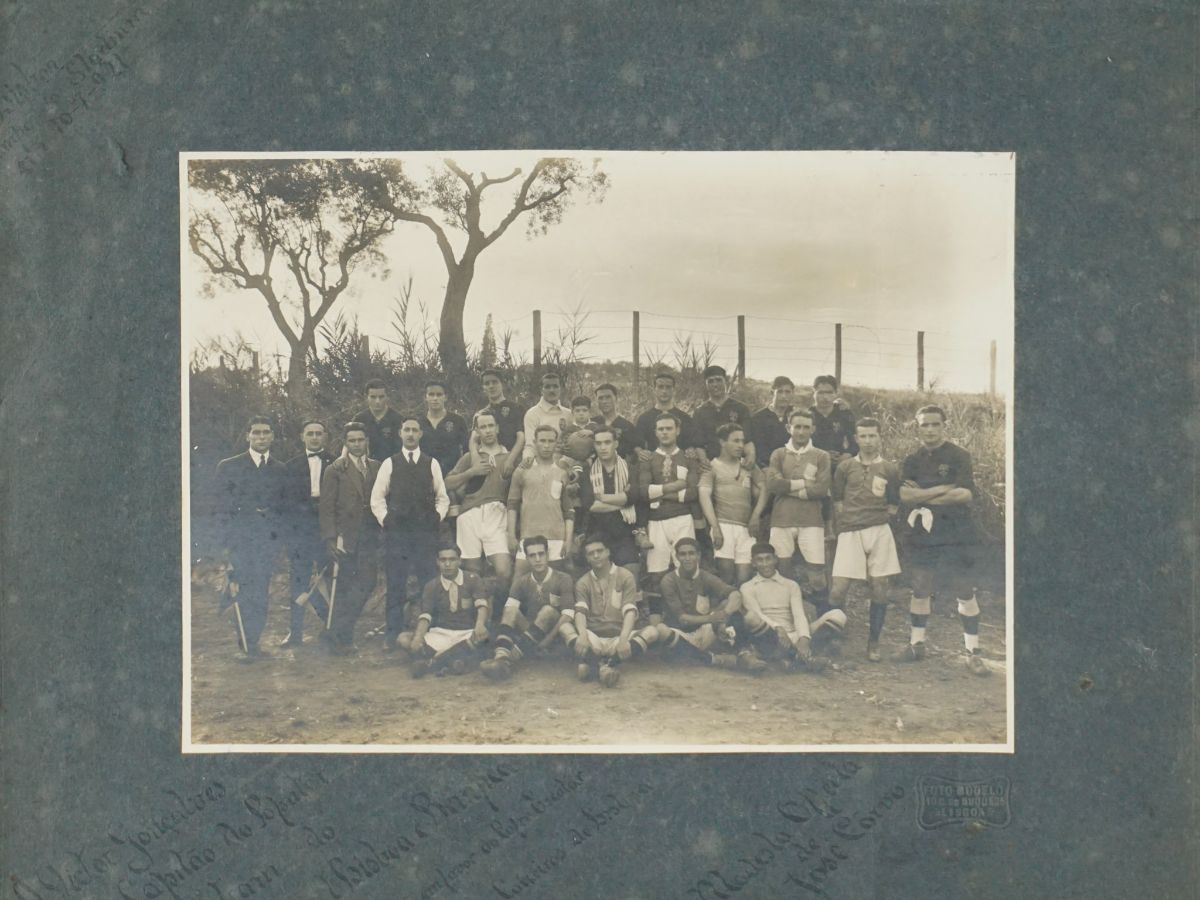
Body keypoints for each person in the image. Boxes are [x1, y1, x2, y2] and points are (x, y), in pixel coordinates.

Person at [897, 405, 989, 676]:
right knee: (921, 585)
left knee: (963, 587)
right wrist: (943, 489)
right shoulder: (912, 460)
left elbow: (964, 495)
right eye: (924, 425)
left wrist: (923, 494)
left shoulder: (959, 456)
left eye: (935, 424)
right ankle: (916, 644)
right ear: (918, 427)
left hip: (955, 529)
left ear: (943, 426)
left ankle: (973, 651)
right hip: (924, 530)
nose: (930, 429)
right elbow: (904, 496)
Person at [369, 415, 450, 650]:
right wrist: (387, 520)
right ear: (400, 433)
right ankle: (392, 635)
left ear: (421, 434)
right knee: (396, 584)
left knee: (428, 582)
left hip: (425, 535)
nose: (411, 434)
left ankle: (432, 633)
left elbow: (442, 497)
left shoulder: (431, 463)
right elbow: (377, 498)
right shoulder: (390, 463)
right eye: (407, 430)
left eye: (415, 430)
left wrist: (436, 517)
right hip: (398, 536)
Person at [212, 416, 288, 658]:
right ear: (248, 436)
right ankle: (245, 645)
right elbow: (220, 508)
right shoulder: (229, 466)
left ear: (273, 436)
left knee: (261, 593)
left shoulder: (280, 469)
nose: (261, 437)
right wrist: (224, 547)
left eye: (266, 432)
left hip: (266, 544)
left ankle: (254, 641)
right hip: (240, 543)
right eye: (256, 433)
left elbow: (284, 508)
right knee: (243, 591)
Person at [829, 418, 902, 662]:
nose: (868, 441)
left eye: (873, 436)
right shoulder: (845, 467)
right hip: (850, 532)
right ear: (856, 439)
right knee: (839, 589)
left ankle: (873, 643)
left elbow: (893, 504)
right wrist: (848, 523)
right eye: (863, 436)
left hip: (879, 531)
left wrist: (875, 520)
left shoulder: (890, 469)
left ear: (880, 437)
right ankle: (833, 637)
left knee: (880, 588)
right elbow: (837, 501)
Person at [562, 536, 665, 688]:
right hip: (594, 637)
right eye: (591, 553)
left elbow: (629, 611)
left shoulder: (625, 576)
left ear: (608, 552)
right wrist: (583, 636)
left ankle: (600, 664)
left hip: (618, 637)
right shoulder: (583, 582)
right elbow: (580, 612)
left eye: (600, 551)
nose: (596, 556)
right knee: (564, 627)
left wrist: (623, 639)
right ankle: (603, 667)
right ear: (587, 558)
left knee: (652, 632)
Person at [317, 422, 381, 654]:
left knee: (367, 582)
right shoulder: (336, 469)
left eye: (360, 440)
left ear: (367, 442)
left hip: (371, 536)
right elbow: (327, 507)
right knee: (344, 587)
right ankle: (343, 639)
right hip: (347, 536)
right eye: (352, 440)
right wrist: (330, 538)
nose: (356, 444)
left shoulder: (377, 467)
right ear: (345, 443)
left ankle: (335, 630)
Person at [659, 538, 765, 672]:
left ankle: (744, 654)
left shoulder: (705, 576)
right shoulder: (668, 580)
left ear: (699, 555)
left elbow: (735, 594)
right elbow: (683, 619)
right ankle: (715, 659)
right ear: (677, 557)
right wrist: (713, 618)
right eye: (683, 554)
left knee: (730, 604)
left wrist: (725, 616)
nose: (687, 558)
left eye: (691, 553)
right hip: (679, 635)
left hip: (703, 632)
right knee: (662, 630)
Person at [480, 535, 576, 681]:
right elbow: (509, 612)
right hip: (530, 634)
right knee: (511, 609)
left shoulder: (563, 578)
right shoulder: (521, 581)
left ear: (547, 554)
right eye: (532, 555)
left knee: (548, 611)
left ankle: (510, 660)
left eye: (541, 554)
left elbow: (568, 615)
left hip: (555, 635)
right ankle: (501, 658)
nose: (537, 559)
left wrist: (548, 640)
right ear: (527, 558)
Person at [765, 409, 832, 612]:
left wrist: (789, 488)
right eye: (797, 426)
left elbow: (821, 489)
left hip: (811, 520)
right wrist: (804, 484)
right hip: (781, 519)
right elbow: (773, 485)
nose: (801, 431)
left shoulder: (821, 456)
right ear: (789, 428)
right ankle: (786, 615)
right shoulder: (778, 453)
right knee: (782, 571)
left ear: (813, 429)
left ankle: (823, 618)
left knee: (816, 573)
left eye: (806, 427)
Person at [739, 543, 844, 672]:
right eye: (760, 560)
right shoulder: (747, 587)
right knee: (750, 617)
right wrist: (778, 628)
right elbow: (757, 614)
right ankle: (804, 660)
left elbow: (798, 614)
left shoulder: (790, 585)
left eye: (768, 558)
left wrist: (804, 638)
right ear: (753, 563)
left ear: (775, 560)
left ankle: (797, 655)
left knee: (838, 615)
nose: (765, 564)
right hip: (771, 635)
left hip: (794, 635)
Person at [637, 412, 700, 619]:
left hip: (682, 518)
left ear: (677, 430)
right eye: (661, 429)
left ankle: (686, 614)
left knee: (687, 567)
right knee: (656, 571)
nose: (665, 432)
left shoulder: (688, 457)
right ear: (655, 432)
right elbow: (645, 492)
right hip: (656, 521)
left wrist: (661, 493)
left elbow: (692, 492)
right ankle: (657, 616)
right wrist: (674, 488)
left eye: (669, 428)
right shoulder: (648, 458)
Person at [443, 410, 513, 595]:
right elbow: (447, 483)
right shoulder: (469, 457)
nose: (488, 430)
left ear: (497, 428)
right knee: (471, 572)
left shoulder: (509, 457)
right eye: (483, 427)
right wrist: (472, 472)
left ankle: (497, 614)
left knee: (504, 570)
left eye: (491, 426)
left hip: (497, 514)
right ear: (477, 432)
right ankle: (474, 615)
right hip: (469, 515)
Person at [398, 544, 491, 678]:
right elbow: (425, 616)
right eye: (443, 560)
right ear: (437, 562)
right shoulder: (432, 585)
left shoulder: (472, 579)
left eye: (452, 559)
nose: (447, 564)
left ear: (460, 561)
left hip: (467, 633)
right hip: (442, 634)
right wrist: (418, 638)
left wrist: (480, 625)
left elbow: (482, 606)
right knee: (404, 639)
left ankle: (433, 662)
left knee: (484, 638)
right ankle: (454, 661)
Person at [281, 419, 335, 646]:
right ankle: (295, 633)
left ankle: (332, 629)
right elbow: (285, 503)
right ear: (302, 436)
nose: (314, 437)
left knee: (329, 578)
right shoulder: (290, 466)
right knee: (298, 580)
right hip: (301, 531)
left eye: (318, 433)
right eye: (310, 433)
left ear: (325, 436)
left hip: (326, 529)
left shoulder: (336, 463)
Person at [698, 423, 769, 586]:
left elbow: (765, 487)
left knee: (745, 578)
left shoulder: (748, 465)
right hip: (724, 526)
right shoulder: (712, 466)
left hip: (746, 527)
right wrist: (715, 527)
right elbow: (704, 496)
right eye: (735, 441)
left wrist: (756, 516)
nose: (740, 445)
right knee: (727, 577)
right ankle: (727, 609)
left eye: (742, 441)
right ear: (722, 442)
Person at [507, 425, 575, 576]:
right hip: (528, 535)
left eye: (550, 441)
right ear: (534, 442)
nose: (546, 445)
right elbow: (512, 505)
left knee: (555, 586)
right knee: (519, 582)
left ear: (556, 443)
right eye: (542, 440)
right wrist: (511, 535)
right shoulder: (522, 470)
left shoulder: (563, 472)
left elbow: (569, 510)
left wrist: (568, 540)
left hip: (556, 537)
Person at [575, 426, 642, 582]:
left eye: (607, 442)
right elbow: (590, 505)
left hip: (624, 531)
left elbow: (634, 497)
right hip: (597, 532)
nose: (603, 447)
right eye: (598, 443)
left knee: (631, 572)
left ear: (616, 444)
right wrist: (622, 500)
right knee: (596, 578)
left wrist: (602, 498)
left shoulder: (630, 469)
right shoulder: (588, 472)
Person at [691, 365, 754, 464]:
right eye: (710, 381)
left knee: (760, 478)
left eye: (718, 380)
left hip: (737, 462)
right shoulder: (699, 412)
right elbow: (699, 445)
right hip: (710, 463)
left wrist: (750, 457)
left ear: (726, 381)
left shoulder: (741, 408)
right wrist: (704, 462)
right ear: (706, 384)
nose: (715, 384)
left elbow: (748, 440)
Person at [418, 379, 470, 486]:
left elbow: (467, 451)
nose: (435, 398)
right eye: (431, 394)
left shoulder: (457, 421)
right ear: (425, 397)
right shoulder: (418, 423)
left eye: (439, 394)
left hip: (451, 476)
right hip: (424, 477)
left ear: (445, 397)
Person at [478, 368, 526, 475]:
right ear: (483, 388)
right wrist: (476, 460)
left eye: (494, 382)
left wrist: (510, 460)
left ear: (502, 384)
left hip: (512, 459)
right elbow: (474, 440)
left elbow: (521, 437)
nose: (491, 386)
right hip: (489, 461)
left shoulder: (516, 408)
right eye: (487, 383)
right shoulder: (481, 414)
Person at [634, 371, 695, 455]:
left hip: (679, 465)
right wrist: (640, 452)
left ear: (674, 390)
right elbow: (637, 444)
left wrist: (691, 450)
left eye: (668, 387)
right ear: (654, 390)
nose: (664, 391)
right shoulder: (644, 418)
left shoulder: (685, 418)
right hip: (652, 464)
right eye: (660, 387)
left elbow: (691, 444)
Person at [521, 370, 571, 462]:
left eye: (555, 386)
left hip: (565, 464)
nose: (552, 390)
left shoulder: (569, 414)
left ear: (561, 389)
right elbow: (530, 445)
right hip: (541, 464)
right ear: (541, 390)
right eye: (547, 387)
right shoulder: (532, 413)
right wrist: (527, 461)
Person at [809, 375, 858, 467]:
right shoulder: (808, 415)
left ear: (836, 393)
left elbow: (856, 442)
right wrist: (822, 455)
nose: (825, 397)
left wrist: (848, 454)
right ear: (813, 392)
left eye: (829, 393)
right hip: (815, 463)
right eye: (820, 393)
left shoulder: (844, 413)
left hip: (841, 462)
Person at [748, 376, 796, 467]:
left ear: (792, 393)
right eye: (780, 392)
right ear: (772, 393)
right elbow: (759, 449)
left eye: (787, 392)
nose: (784, 396)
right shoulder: (759, 418)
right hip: (767, 466)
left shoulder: (796, 416)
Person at [354, 379, 403, 462]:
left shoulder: (398, 419)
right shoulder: (359, 419)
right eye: (373, 397)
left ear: (387, 396)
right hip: (366, 469)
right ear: (366, 397)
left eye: (381, 397)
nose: (377, 401)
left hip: (392, 468)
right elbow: (349, 444)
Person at [591, 383, 639, 460]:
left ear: (616, 398)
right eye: (600, 398)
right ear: (596, 401)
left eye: (608, 397)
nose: (604, 401)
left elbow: (634, 452)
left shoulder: (627, 426)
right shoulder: (591, 424)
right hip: (594, 469)